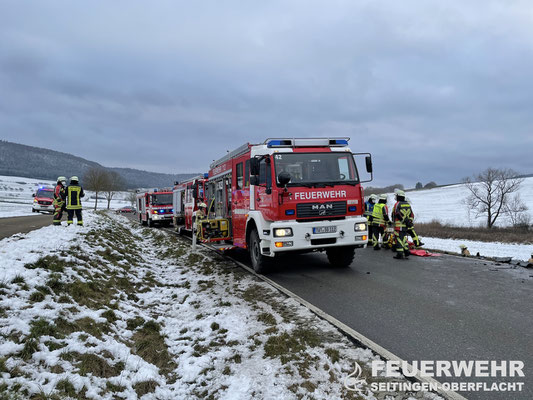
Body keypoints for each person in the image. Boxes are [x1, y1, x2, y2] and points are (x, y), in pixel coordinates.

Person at [391, 190, 414, 259]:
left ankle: (400, 253)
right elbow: (412, 215)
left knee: (398, 239)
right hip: (406, 226)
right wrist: (409, 222)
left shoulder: (397, 204)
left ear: (398, 196)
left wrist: (403, 220)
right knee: (403, 238)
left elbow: (397, 213)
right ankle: (406, 251)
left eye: (396, 196)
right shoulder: (408, 204)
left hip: (399, 225)